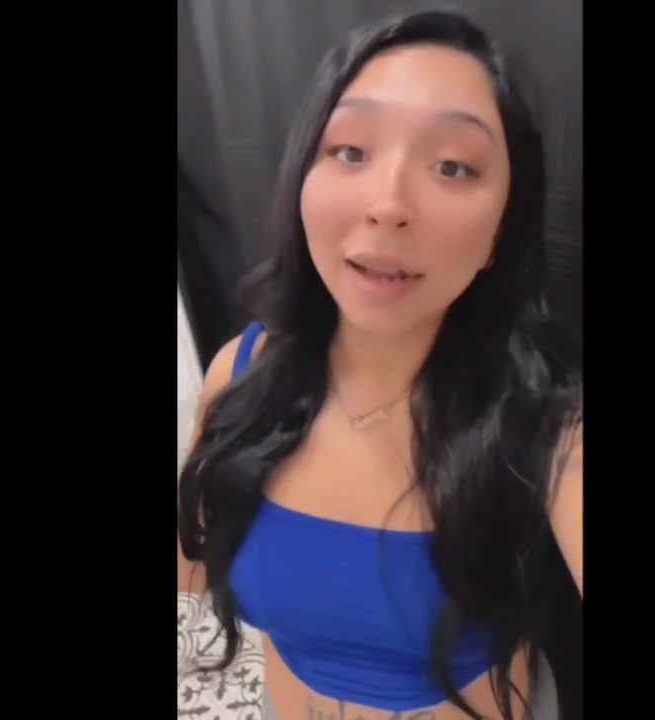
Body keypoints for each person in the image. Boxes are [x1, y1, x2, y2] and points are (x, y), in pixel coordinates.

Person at [178, 10, 583, 720]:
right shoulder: (238, 374)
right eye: (350, 151)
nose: (388, 204)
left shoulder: (546, 422)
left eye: (452, 166)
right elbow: (191, 563)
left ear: (499, 231)